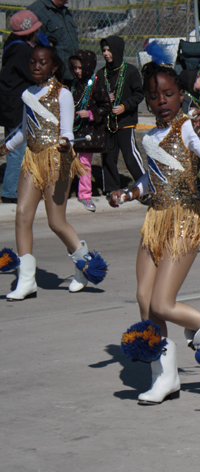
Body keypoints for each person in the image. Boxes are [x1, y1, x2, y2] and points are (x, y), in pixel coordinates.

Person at [107, 62, 200, 405]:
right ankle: (165, 377)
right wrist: (128, 193)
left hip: (185, 219)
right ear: (147, 101)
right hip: (155, 220)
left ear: (181, 95)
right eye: (154, 96)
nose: (162, 101)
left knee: (162, 303)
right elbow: (151, 180)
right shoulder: (149, 137)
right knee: (145, 299)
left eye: (168, 94)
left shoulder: (187, 128)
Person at [0, 43, 108, 301]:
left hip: (57, 160)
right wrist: (4, 148)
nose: (36, 67)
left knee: (56, 221)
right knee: (22, 214)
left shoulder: (63, 94)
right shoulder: (27, 93)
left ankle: (84, 265)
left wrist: (65, 144)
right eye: (32, 62)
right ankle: (26, 280)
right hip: (32, 159)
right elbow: (25, 132)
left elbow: (67, 132)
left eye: (43, 62)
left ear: (54, 66)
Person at [0, 11, 41, 204]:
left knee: (16, 146)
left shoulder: (11, 45)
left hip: (10, 104)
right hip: (16, 106)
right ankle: (10, 191)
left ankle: (17, 188)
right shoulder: (23, 52)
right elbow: (34, 75)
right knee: (18, 148)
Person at [96, 36, 146, 194]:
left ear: (117, 50)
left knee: (130, 156)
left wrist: (124, 107)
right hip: (108, 123)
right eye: (104, 50)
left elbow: (139, 94)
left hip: (125, 121)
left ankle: (144, 187)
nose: (106, 53)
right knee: (108, 156)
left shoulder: (130, 71)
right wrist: (104, 97)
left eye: (109, 50)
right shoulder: (101, 73)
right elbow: (95, 96)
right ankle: (112, 189)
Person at [68, 50, 111, 212]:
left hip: (89, 131)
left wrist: (90, 114)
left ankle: (85, 194)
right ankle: (63, 191)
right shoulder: (74, 84)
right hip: (74, 128)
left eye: (80, 68)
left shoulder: (96, 83)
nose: (78, 71)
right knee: (67, 160)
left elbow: (106, 106)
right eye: (75, 68)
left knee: (84, 163)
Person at [28, 0, 79, 83]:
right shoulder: (37, 10)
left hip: (73, 73)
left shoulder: (65, 12)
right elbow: (31, 43)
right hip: (54, 77)